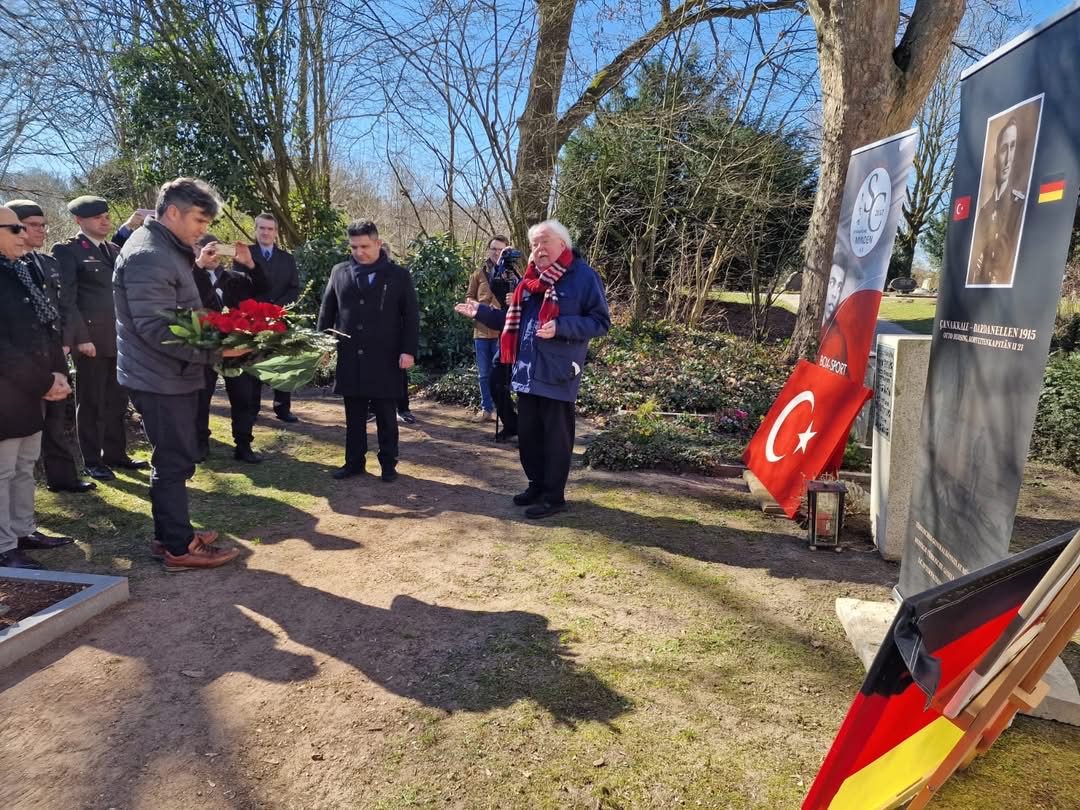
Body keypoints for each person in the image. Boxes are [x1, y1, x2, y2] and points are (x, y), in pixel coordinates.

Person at [114, 178, 244, 572]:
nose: (203, 230)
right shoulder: (148, 255)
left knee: (178, 456)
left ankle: (169, 532)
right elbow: (157, 329)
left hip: (174, 372)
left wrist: (222, 328)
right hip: (158, 375)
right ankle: (177, 547)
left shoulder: (171, 249)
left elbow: (184, 310)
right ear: (172, 212)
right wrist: (217, 349)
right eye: (199, 221)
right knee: (173, 460)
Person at [454, 219, 609, 518]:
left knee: (555, 438)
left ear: (562, 244)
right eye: (534, 244)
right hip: (526, 372)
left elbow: (600, 322)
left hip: (558, 371)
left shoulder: (583, 277)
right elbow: (514, 322)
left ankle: (554, 496)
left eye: (544, 242)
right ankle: (536, 485)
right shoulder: (529, 281)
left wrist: (562, 326)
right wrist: (482, 312)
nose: (538, 249)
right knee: (529, 435)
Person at [0, 205, 76, 569]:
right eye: (14, 228)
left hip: (30, 390)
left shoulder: (19, 269)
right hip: (7, 393)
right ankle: (3, 546)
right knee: (2, 471)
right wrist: (43, 381)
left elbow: (47, 328)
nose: (23, 234)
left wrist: (58, 374)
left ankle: (22, 530)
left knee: (25, 464)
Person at [52, 195, 148, 481]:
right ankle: (93, 460)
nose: (105, 221)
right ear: (79, 220)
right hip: (91, 340)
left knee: (117, 401)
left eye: (107, 216)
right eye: (98, 218)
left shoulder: (114, 249)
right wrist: (80, 337)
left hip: (119, 339)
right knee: (91, 402)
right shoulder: (68, 250)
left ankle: (116, 454)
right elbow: (67, 299)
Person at [317, 220, 419, 482]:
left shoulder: (398, 275)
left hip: (386, 356)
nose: (359, 252)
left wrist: (408, 351)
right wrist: (323, 345)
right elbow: (327, 310)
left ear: (378, 244)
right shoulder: (339, 272)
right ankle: (354, 462)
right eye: (354, 247)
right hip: (350, 355)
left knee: (386, 415)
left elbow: (410, 317)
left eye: (364, 246)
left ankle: (388, 464)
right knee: (354, 415)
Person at [8, 199, 96, 494]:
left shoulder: (46, 263)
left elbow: (66, 306)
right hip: (22, 362)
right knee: (27, 425)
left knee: (58, 417)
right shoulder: (10, 269)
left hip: (55, 350)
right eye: (33, 225)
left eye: (44, 225)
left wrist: (67, 342)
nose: (41, 231)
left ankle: (63, 477)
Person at [191, 234, 266, 464]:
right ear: (196, 251)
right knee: (201, 398)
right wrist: (199, 265)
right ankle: (200, 444)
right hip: (205, 346)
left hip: (237, 347)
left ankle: (243, 444)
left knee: (243, 396)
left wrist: (250, 263)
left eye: (217, 250)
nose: (212, 255)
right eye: (205, 250)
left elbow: (264, 288)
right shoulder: (188, 278)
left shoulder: (237, 278)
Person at [247, 213, 301, 422]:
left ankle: (282, 408)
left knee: (282, 364)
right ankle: (252, 408)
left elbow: (293, 289)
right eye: (262, 228)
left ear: (276, 233)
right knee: (254, 364)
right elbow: (237, 284)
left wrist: (276, 308)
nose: (266, 232)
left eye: (270, 229)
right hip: (252, 319)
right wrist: (258, 309)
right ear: (256, 230)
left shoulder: (287, 259)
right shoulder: (245, 255)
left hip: (280, 318)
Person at [968, 117, 1026, 286]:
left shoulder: (1019, 205)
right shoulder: (984, 210)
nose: (1008, 157)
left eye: (1012, 147)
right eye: (1003, 149)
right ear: (995, 158)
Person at [466, 235, 510, 422]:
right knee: (484, 374)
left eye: (501, 249)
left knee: (501, 376)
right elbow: (469, 296)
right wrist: (479, 308)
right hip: (481, 331)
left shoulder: (512, 272)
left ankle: (504, 412)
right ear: (488, 249)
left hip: (503, 332)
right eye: (494, 248)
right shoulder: (478, 273)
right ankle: (486, 409)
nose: (496, 252)